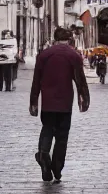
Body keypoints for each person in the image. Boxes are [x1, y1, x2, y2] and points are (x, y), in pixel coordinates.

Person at [30, 27, 90, 184]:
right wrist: (84, 99)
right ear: (69, 39)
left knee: (47, 129)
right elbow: (80, 80)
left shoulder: (44, 55)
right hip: (64, 103)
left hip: (48, 102)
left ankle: (43, 155)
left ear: (54, 38)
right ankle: (57, 168)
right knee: (62, 137)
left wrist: (34, 101)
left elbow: (36, 80)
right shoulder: (73, 56)